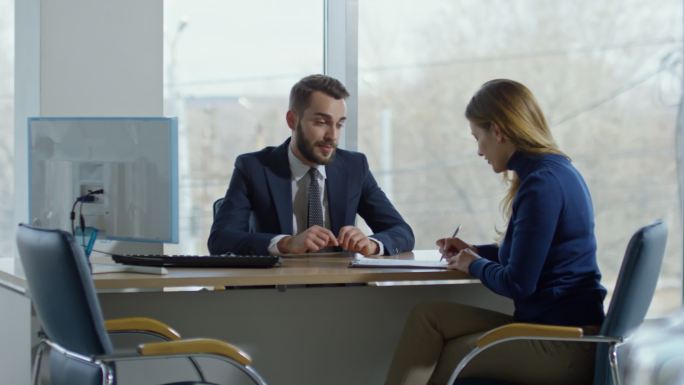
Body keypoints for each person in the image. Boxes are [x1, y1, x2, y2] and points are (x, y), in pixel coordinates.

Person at [384, 79, 607, 385]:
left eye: (479, 138)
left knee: (443, 359)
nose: (479, 151)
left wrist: (473, 264)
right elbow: (532, 256)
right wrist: (475, 252)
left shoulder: (542, 185)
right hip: (558, 329)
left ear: (498, 132)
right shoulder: (555, 171)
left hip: (563, 343)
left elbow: (518, 282)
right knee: (429, 317)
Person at [208, 74, 414, 256]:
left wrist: (372, 244)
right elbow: (221, 240)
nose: (332, 136)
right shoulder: (254, 167)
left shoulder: (354, 167)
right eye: (321, 122)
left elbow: (401, 232)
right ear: (292, 120)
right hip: (275, 292)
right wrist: (286, 243)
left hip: (344, 291)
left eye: (339, 124)